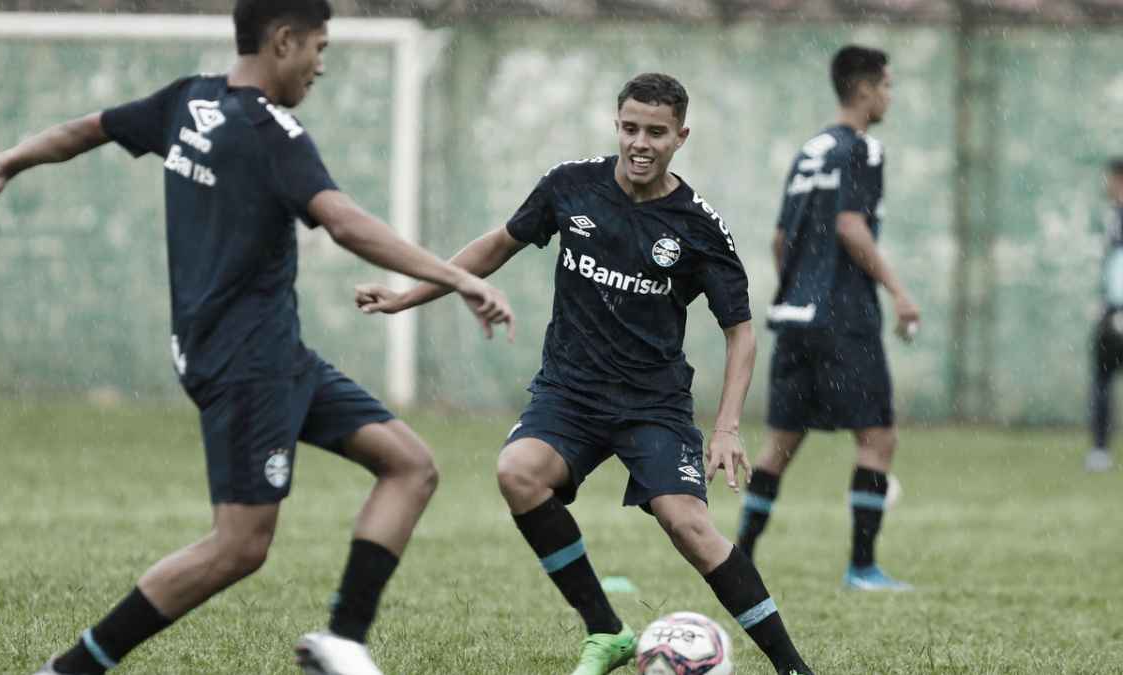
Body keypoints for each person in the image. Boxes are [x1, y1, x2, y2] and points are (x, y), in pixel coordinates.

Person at [0, 2, 515, 674]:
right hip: (247, 363)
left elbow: (91, 127)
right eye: (318, 47)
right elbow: (344, 222)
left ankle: (342, 637)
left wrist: (10, 162)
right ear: (283, 41)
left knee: (410, 464)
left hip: (272, 355)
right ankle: (72, 668)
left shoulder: (189, 102)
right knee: (239, 545)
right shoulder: (270, 131)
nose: (320, 65)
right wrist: (457, 277)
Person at [356, 73, 813, 675]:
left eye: (656, 132)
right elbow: (497, 244)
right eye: (629, 128)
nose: (640, 143)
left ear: (681, 136)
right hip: (569, 393)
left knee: (689, 526)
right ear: (615, 125)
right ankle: (606, 630)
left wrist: (727, 426)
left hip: (653, 403)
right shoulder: (570, 187)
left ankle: (793, 667)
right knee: (518, 474)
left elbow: (741, 332)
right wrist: (406, 295)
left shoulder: (698, 227)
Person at [735, 45, 918, 592]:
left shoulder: (810, 150)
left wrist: (798, 288)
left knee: (780, 445)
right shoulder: (862, 148)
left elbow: (778, 239)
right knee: (877, 439)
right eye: (887, 85)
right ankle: (862, 567)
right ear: (864, 90)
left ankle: (740, 555)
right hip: (843, 316)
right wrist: (899, 293)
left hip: (794, 315)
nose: (890, 95)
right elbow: (849, 225)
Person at [1086, 158, 1123, 473]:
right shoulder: (1115, 216)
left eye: (1111, 179)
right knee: (1102, 378)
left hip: (1118, 310)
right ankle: (1099, 451)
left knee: (1102, 377)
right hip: (1112, 309)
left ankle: (1100, 451)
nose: (1107, 186)